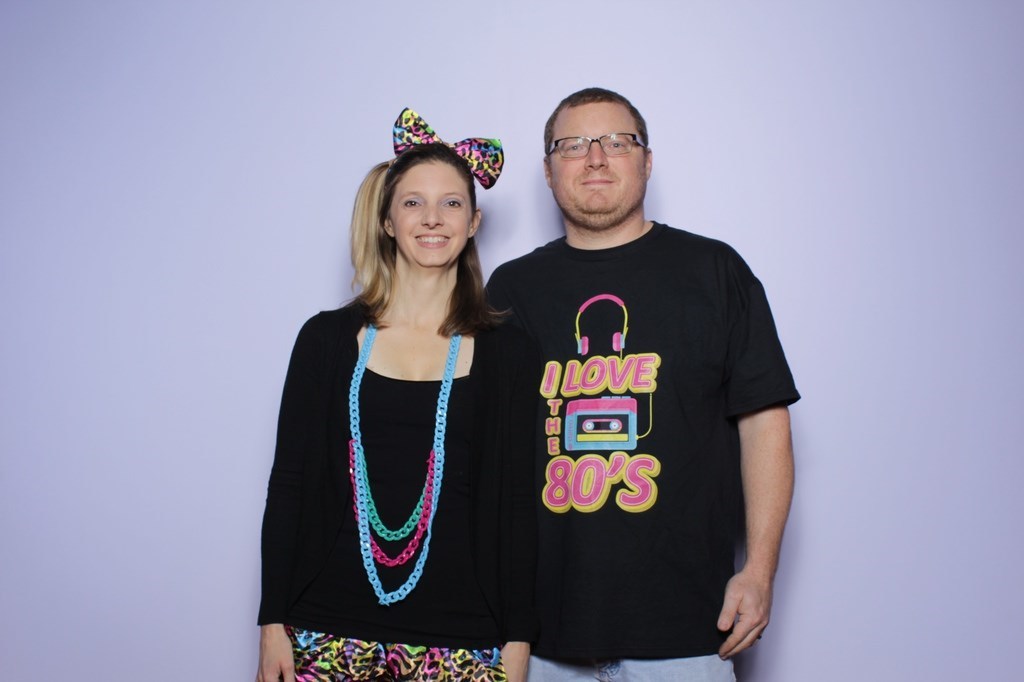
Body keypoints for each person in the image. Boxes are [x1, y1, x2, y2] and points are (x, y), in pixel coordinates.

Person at [486, 88, 800, 681]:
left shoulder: (715, 271)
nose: (595, 158)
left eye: (617, 141)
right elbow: (485, 455)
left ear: (647, 161)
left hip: (688, 631)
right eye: (572, 145)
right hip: (543, 638)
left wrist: (760, 572)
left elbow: (764, 423)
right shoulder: (512, 289)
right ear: (549, 171)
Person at [256, 108, 538, 682]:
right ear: (387, 220)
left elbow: (517, 506)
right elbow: (289, 486)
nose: (432, 218)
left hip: (463, 640)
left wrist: (518, 640)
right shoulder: (326, 340)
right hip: (323, 629)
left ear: (474, 222)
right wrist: (271, 622)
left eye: (451, 203)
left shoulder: (509, 350)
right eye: (413, 202)